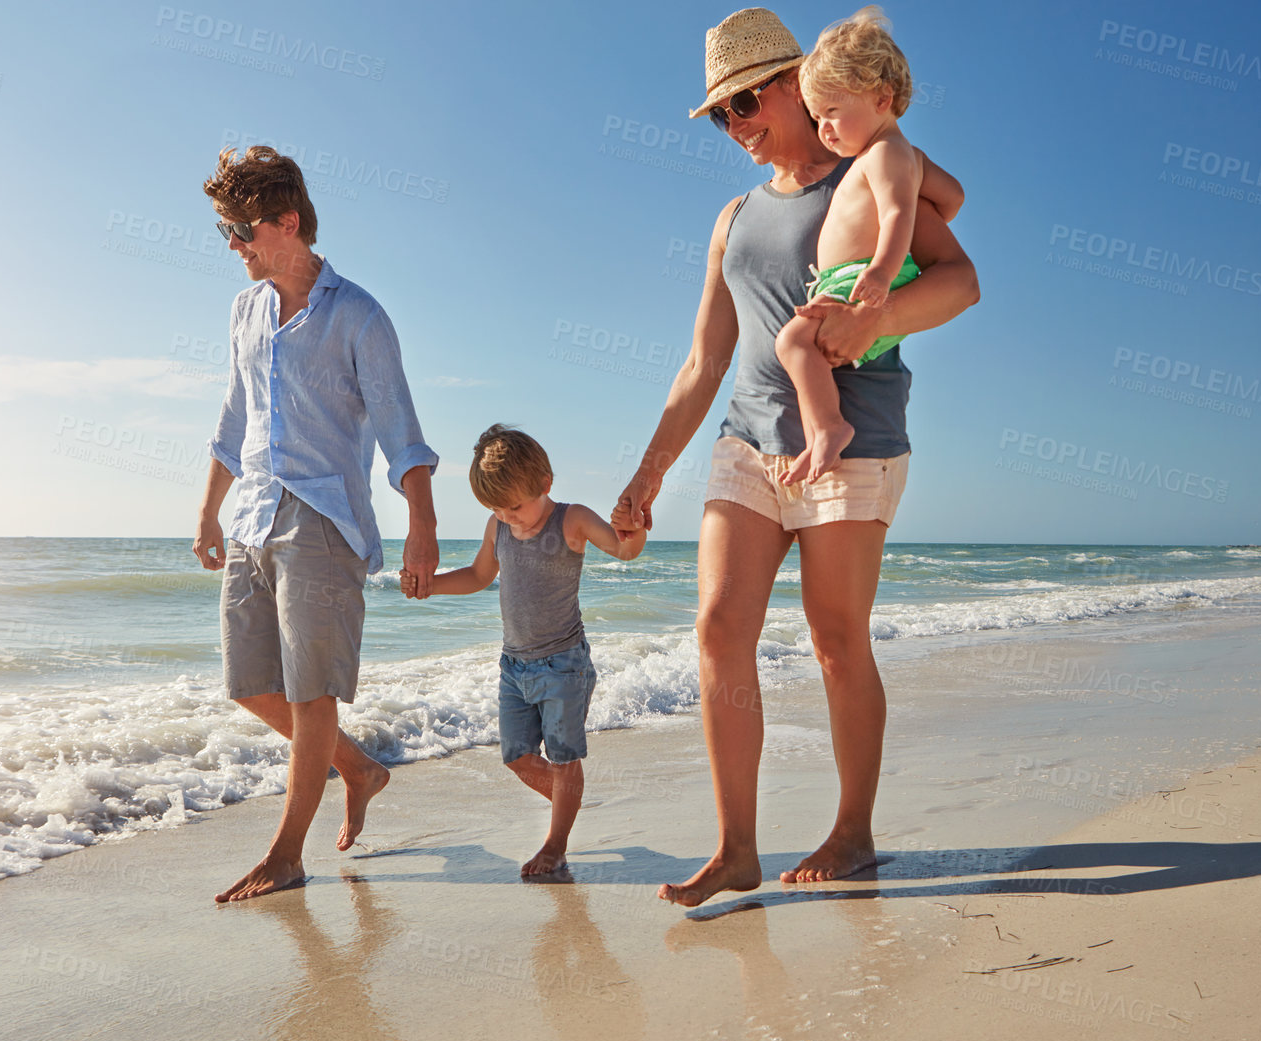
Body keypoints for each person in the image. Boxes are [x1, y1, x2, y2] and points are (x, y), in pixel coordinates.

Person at [612, 8, 979, 907]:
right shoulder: (733, 218)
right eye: (722, 115)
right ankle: (736, 846)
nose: (736, 126)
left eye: (746, 102)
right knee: (716, 630)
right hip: (747, 442)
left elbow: (961, 279)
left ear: (794, 83)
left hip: (854, 449)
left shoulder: (872, 172)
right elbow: (705, 359)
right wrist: (648, 472)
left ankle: (852, 833)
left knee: (836, 641)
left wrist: (876, 318)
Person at [192, 145, 441, 903]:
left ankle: (287, 853)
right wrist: (208, 506)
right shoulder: (244, 311)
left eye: (241, 229)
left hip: (325, 518)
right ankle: (359, 768)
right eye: (224, 231)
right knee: (249, 683)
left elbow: (402, 430)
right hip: (253, 514)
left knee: (309, 695)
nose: (232, 245)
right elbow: (237, 415)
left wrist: (421, 525)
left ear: (287, 223)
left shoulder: (360, 316)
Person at [404, 425, 645, 876]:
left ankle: (556, 843)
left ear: (544, 484)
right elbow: (478, 576)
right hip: (513, 665)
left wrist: (633, 528)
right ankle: (568, 799)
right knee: (516, 756)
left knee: (563, 757)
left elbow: (624, 550)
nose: (509, 517)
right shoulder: (498, 525)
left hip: (563, 664)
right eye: (497, 508)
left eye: (515, 506)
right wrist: (430, 586)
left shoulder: (571, 519)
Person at [774, 6, 962, 485]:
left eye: (833, 112)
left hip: (865, 277)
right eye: (816, 118)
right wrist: (926, 187)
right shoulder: (901, 155)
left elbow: (899, 212)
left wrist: (880, 271)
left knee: (793, 340)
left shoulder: (886, 154)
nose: (825, 129)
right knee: (802, 341)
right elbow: (954, 195)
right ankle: (822, 432)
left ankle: (829, 429)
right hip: (851, 278)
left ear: (882, 97)